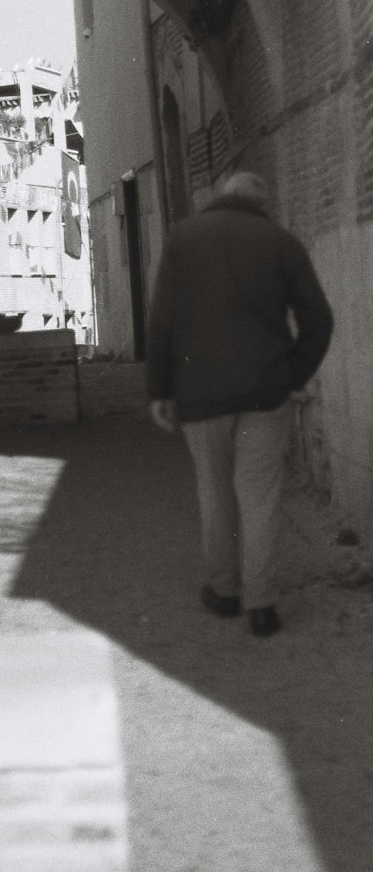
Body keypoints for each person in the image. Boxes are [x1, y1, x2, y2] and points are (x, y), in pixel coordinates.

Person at [145, 170, 333, 638]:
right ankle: (263, 605)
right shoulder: (280, 241)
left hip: (201, 396)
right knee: (261, 497)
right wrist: (294, 374)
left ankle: (225, 592)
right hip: (266, 394)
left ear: (219, 199)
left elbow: (162, 322)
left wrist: (159, 390)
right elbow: (319, 319)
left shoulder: (182, 239)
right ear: (261, 203)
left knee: (214, 492)